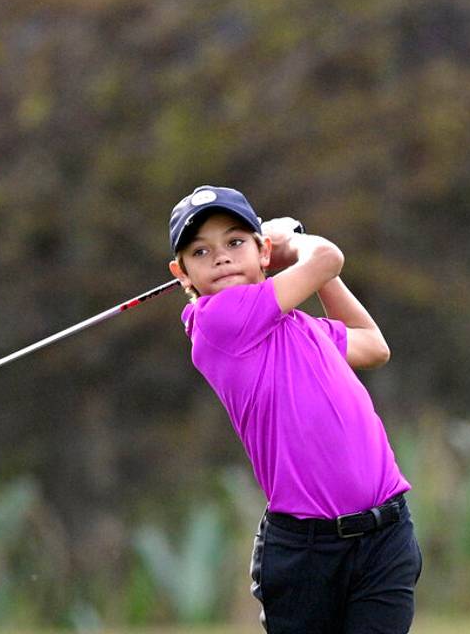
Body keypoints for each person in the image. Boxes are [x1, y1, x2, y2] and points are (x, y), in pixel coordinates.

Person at [167, 185, 421, 634]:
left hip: (385, 534)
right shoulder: (216, 322)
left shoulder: (300, 328)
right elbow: (327, 257)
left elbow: (373, 345)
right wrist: (293, 240)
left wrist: (299, 263)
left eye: (235, 242)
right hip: (307, 554)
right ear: (181, 273)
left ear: (260, 251)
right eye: (200, 251)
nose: (221, 257)